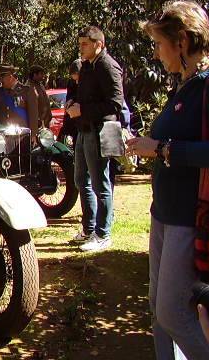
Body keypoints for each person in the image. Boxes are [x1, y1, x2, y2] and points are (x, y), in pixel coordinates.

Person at [125, 0, 209, 359]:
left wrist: (160, 149)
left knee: (173, 312)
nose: (157, 54)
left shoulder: (206, 87)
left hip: (185, 218)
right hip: (163, 213)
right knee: (157, 310)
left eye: (160, 44)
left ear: (183, 42)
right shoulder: (184, 87)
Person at [67, 26, 123, 252]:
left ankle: (103, 234)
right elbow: (84, 97)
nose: (80, 48)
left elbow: (116, 104)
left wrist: (83, 110)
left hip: (101, 131)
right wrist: (73, 105)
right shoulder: (88, 66)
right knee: (81, 181)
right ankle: (89, 228)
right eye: (80, 43)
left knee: (101, 184)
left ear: (98, 44)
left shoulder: (107, 66)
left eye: (85, 44)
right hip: (85, 130)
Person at [0, 64, 39, 139]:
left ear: (10, 76)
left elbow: (33, 116)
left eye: (2, 78)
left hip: (22, 136)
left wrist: (33, 135)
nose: (0, 81)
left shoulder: (27, 91)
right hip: (2, 137)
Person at [58, 59, 81, 144]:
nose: (76, 82)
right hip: (72, 121)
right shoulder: (71, 83)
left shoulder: (88, 82)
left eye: (77, 79)